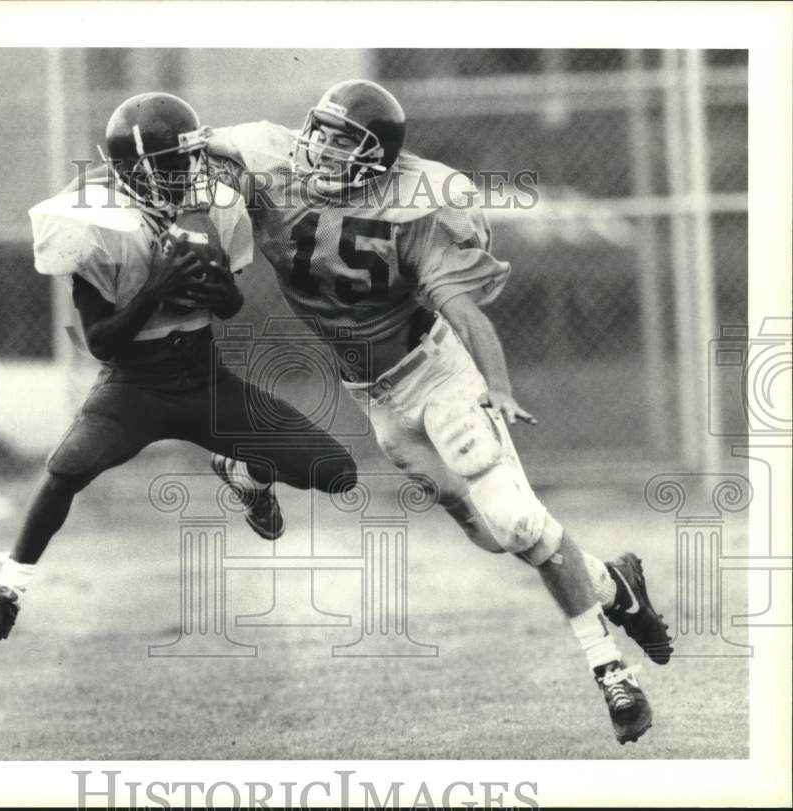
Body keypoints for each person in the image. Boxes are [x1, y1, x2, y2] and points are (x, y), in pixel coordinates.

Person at [206, 79, 671, 744]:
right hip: (376, 400)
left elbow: (462, 308)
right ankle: (617, 584)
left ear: (378, 157)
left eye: (344, 142)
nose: (323, 149)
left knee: (516, 520)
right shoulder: (274, 164)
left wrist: (498, 384)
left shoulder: (417, 205)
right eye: (322, 132)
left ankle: (610, 671)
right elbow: (202, 145)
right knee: (496, 537)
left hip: (437, 375)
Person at [0, 92, 356, 649]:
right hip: (135, 386)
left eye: (191, 157)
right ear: (131, 169)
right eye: (171, 162)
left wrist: (217, 290)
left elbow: (230, 306)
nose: (187, 171)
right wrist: (155, 289)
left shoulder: (212, 202)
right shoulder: (91, 219)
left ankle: (246, 475)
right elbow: (101, 341)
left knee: (337, 472)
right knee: (67, 469)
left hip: (207, 379)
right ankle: (2, 597)